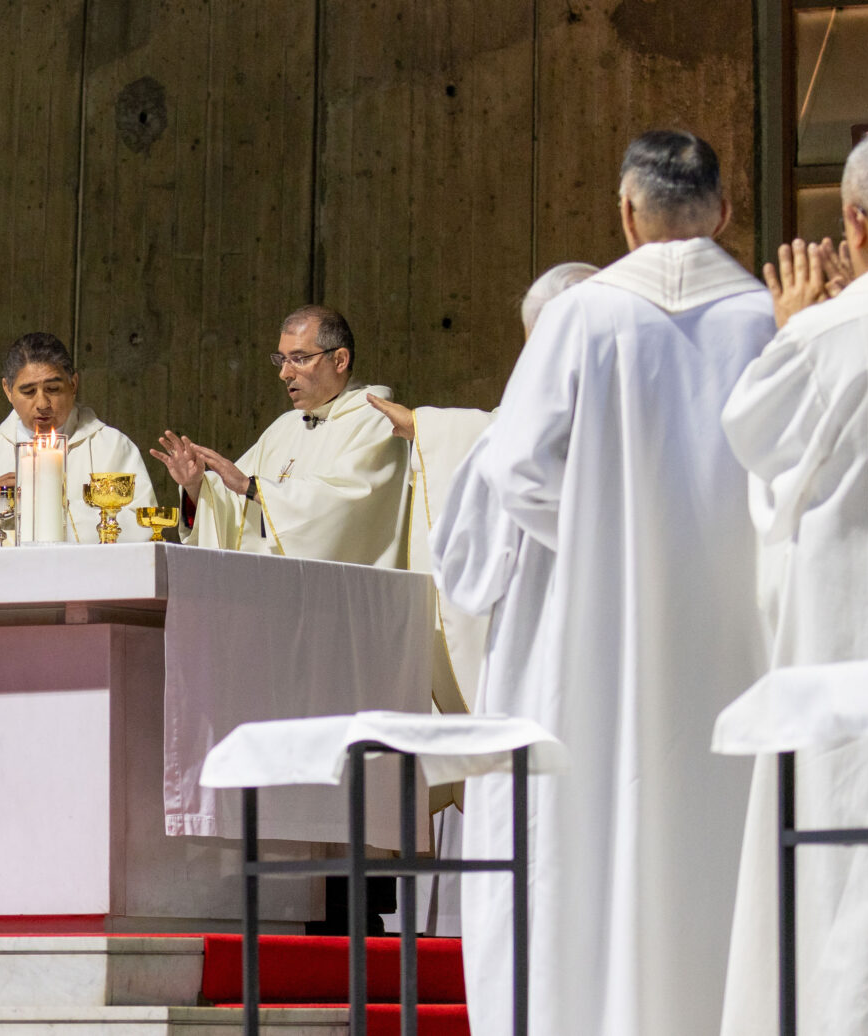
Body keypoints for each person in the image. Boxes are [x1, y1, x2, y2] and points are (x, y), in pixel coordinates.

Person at [436, 130, 772, 1036]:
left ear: (626, 212)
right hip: (734, 629)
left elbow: (516, 467)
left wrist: (605, 542)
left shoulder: (583, 316)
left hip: (593, 627)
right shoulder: (764, 318)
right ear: (724, 212)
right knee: (719, 825)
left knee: (585, 825)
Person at [715, 126, 868, 1036]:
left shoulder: (826, 333)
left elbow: (760, 462)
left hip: (845, 634)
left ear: (853, 222)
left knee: (847, 839)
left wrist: (793, 333)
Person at [369, 264, 598, 713]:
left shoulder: (520, 433)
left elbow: (467, 572)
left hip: (548, 634)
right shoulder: (655, 415)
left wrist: (423, 427)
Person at [152, 306, 407, 564]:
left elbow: (342, 505)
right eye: (282, 360)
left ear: (340, 360)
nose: (284, 373)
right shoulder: (285, 427)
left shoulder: (376, 421)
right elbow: (235, 508)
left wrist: (251, 487)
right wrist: (195, 486)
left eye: (299, 358)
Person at [0, 333, 157, 543]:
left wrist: (43, 503)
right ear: (7, 390)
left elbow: (143, 529)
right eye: (28, 391)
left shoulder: (111, 447)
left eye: (53, 389)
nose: (42, 404)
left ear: (73, 384)